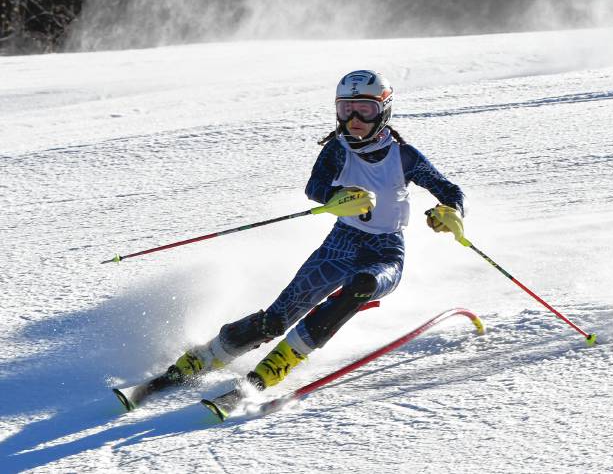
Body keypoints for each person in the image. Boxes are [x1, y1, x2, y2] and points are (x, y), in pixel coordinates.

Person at [167, 70, 466, 390]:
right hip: (340, 245)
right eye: (345, 109)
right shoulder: (339, 149)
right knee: (276, 319)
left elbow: (449, 191)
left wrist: (452, 213)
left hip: (385, 251)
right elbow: (316, 186)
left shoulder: (404, 156)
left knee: (362, 285)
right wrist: (335, 198)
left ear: (384, 110)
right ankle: (206, 356)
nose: (353, 118)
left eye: (364, 109)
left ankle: (283, 361)